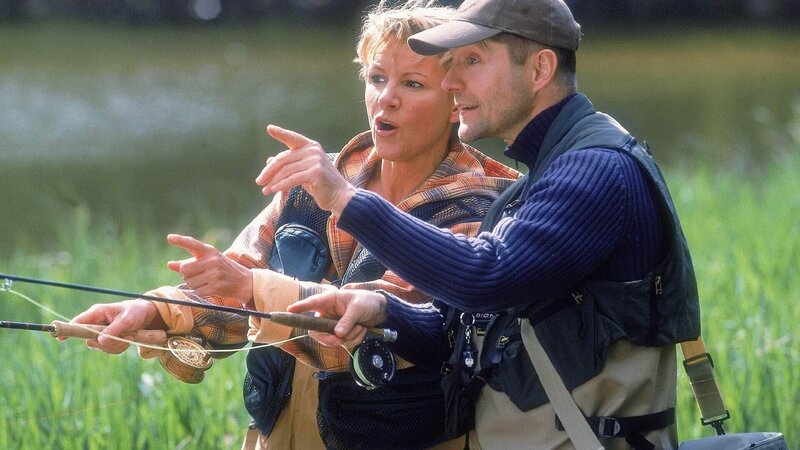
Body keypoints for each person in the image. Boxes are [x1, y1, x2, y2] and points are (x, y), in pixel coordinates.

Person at [68, 2, 520, 450]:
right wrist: (154, 311)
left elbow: (388, 324)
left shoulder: (477, 209)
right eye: (377, 78)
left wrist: (250, 287)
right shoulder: (314, 181)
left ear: (456, 104)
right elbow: (235, 278)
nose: (386, 98)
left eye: (413, 83)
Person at [259, 0, 702, 449]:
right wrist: (382, 310)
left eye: (472, 60)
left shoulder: (595, 171)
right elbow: (455, 335)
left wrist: (345, 198)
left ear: (539, 69)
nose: (451, 82)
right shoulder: (540, 179)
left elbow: (487, 275)